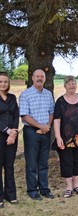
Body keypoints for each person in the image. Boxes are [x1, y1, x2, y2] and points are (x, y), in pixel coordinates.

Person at [19, 69, 55, 200]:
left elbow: (51, 111)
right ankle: (32, 190)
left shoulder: (48, 94)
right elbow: (24, 115)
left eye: (42, 76)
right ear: (32, 78)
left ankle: (44, 189)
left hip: (46, 131)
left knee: (43, 162)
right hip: (31, 132)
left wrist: (47, 126)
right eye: (37, 76)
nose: (40, 78)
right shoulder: (25, 95)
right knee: (32, 163)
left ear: (45, 78)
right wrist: (41, 127)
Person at [53, 75, 78, 198]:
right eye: (69, 84)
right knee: (66, 161)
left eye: (73, 83)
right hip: (65, 137)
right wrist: (58, 137)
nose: (71, 86)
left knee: (77, 161)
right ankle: (68, 187)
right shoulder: (60, 101)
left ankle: (76, 185)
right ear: (65, 86)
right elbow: (56, 120)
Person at [0, 72, 19, 208]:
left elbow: (16, 116)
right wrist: (7, 131)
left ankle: (10, 194)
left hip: (12, 137)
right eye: (0, 81)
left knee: (9, 166)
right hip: (1, 135)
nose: (3, 84)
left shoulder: (12, 97)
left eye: (5, 81)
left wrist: (13, 134)